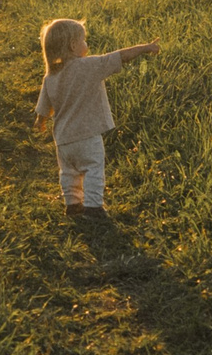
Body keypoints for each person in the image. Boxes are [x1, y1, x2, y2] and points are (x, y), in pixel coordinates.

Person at [33, 17, 158, 213]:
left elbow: (43, 109)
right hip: (87, 135)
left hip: (63, 140)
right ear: (74, 46)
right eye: (84, 40)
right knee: (93, 168)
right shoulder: (89, 66)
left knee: (68, 173)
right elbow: (121, 56)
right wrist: (145, 47)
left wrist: (40, 122)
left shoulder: (51, 76)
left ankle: (72, 204)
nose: (87, 45)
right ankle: (93, 207)